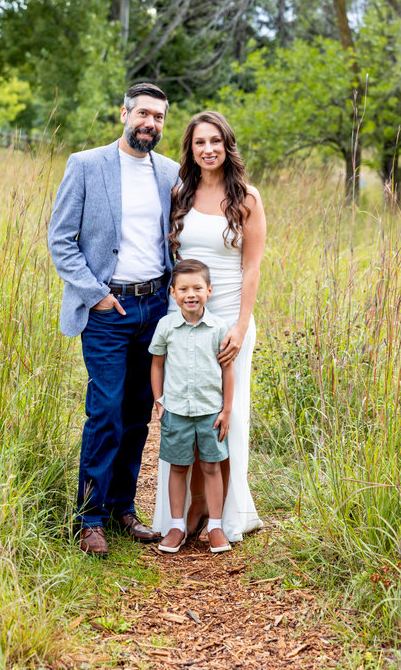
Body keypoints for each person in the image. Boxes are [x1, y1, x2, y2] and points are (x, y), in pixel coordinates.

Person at [48, 82, 179, 557]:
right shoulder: (86, 165)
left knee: (139, 413)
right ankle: (90, 518)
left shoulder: (170, 172)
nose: (150, 123)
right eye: (143, 113)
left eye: (159, 117)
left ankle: (125, 509)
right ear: (123, 113)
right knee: (105, 411)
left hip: (155, 309)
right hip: (108, 310)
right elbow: (61, 238)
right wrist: (96, 294)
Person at [152, 111, 266, 543]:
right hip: (182, 320)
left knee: (226, 415)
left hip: (229, 320)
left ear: (227, 145)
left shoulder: (247, 198)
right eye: (200, 142)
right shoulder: (180, 192)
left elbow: (252, 268)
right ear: (191, 149)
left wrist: (239, 326)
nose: (209, 149)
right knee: (185, 408)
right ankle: (190, 508)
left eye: (216, 141)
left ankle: (227, 514)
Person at [150, 258, 235, 554]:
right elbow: (157, 364)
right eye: (183, 288)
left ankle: (215, 527)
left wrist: (226, 410)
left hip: (210, 411)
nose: (191, 294)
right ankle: (176, 525)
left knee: (211, 466)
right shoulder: (166, 326)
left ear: (209, 290)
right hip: (176, 411)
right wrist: (159, 400)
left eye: (197, 287)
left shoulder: (218, 328)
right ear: (173, 293)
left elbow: (227, 371)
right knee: (178, 467)